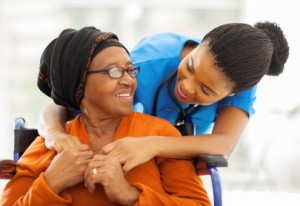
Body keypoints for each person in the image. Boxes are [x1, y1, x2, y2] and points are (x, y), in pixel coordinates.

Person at [38, 21, 289, 173]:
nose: (188, 88)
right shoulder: (145, 65)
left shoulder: (240, 83)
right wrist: (55, 133)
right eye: (190, 67)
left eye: (206, 90)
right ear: (201, 44)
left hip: (166, 169)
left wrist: (151, 144)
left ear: (231, 93)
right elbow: (59, 105)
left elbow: (222, 145)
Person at [0, 27, 211, 205]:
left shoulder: (160, 134)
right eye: (113, 71)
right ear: (79, 85)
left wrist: (129, 195)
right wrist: (51, 183)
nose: (129, 81)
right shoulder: (49, 146)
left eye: (130, 70)